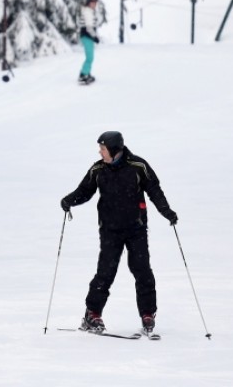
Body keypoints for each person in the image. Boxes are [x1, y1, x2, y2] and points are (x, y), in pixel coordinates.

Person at [60, 131, 178, 336]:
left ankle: (148, 314)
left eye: (103, 148)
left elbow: (154, 190)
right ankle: (92, 314)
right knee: (105, 273)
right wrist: (69, 200)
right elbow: (85, 191)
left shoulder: (138, 166)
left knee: (142, 270)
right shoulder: (98, 169)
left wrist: (166, 212)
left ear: (114, 149)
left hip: (136, 228)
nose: (100, 152)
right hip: (110, 230)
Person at [78, 0, 100, 85]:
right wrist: (95, 37)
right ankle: (83, 75)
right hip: (87, 36)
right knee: (89, 57)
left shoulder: (89, 11)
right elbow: (89, 27)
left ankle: (87, 73)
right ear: (88, 3)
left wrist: (94, 36)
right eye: (92, 3)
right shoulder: (87, 11)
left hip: (88, 36)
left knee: (90, 57)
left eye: (95, 3)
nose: (94, 4)